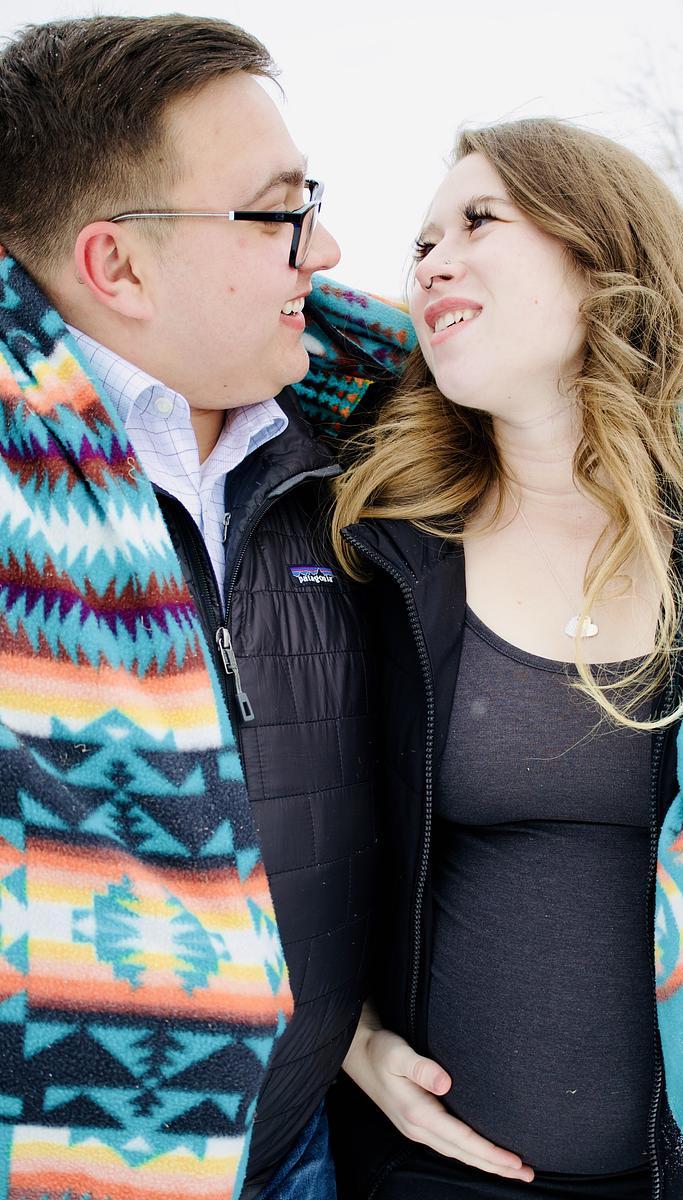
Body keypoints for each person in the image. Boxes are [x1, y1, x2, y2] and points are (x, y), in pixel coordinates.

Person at [329, 118, 683, 1200]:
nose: (430, 261)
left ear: (600, 254)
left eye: (477, 221)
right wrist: (344, 1032)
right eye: (420, 245)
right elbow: (288, 810)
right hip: (435, 1174)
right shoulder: (381, 535)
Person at [0, 15, 399, 1199]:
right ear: (117, 266)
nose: (325, 250)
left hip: (303, 1144)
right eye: (277, 214)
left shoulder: (360, 443)